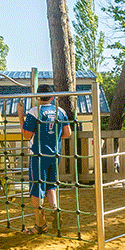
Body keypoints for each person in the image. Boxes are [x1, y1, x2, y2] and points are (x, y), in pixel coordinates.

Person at [21, 84, 71, 234]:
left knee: (37, 189)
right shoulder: (60, 111)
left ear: (37, 97)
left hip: (38, 155)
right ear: (52, 97)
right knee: (51, 185)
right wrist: (53, 137)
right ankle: (55, 208)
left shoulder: (34, 111)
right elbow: (68, 133)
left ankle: (40, 224)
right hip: (54, 155)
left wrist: (19, 116)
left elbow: (26, 134)